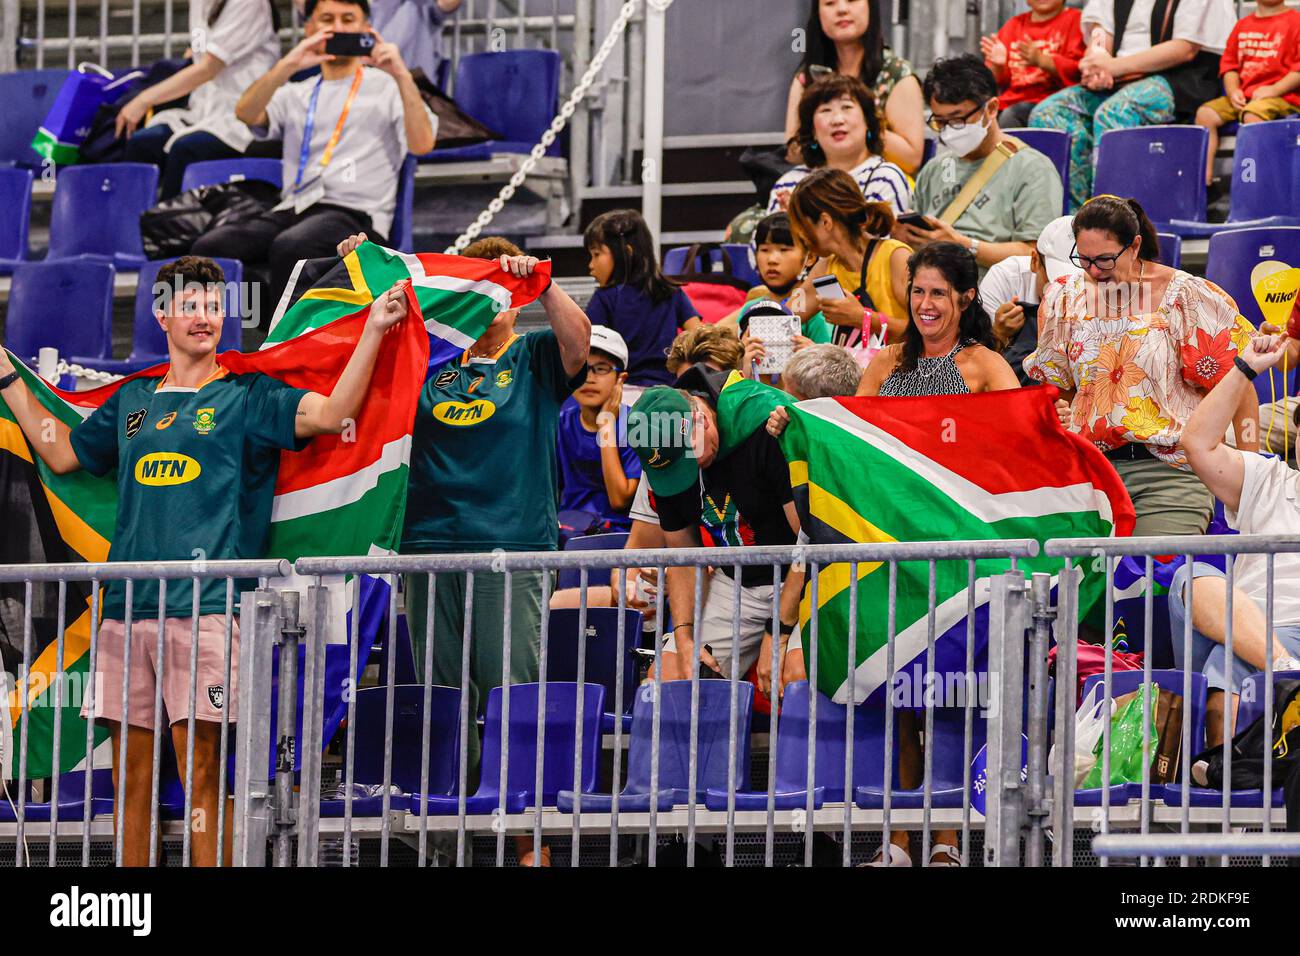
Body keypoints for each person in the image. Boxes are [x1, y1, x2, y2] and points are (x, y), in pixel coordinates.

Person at [0, 255, 407, 866]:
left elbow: (331, 414)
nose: (205, 317)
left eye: (215, 306)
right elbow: (60, 455)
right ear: (162, 313)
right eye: (190, 305)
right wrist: (8, 377)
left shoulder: (248, 396)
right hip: (124, 613)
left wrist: (373, 329)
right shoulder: (132, 398)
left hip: (209, 611)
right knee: (129, 779)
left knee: (202, 774)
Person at [387, 234, 589, 868]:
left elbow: (581, 343)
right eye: (474, 288)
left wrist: (544, 282)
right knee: (444, 698)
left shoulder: (532, 357)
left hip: (511, 546)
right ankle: (450, 846)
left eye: (497, 291)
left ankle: (528, 847)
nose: (487, 302)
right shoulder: (427, 358)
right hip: (428, 547)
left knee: (512, 694)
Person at [1024, 195, 1260, 536]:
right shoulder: (1063, 297)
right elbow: (1057, 388)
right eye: (1083, 259)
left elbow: (1240, 384)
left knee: (1152, 583)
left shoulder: (1186, 296)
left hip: (1169, 476)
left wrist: (1249, 473)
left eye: (1104, 260)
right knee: (1079, 588)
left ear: (1134, 246)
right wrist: (1056, 410)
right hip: (1089, 475)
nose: (1093, 271)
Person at [193, 0, 437, 306]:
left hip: (353, 215)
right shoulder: (298, 90)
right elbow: (246, 113)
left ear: (367, 29)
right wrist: (288, 64)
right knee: (211, 247)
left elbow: (422, 143)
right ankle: (264, 322)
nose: (337, 27)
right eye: (327, 19)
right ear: (309, 29)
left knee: (290, 246)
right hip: (294, 208)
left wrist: (401, 74)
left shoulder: (388, 87)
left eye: (348, 19)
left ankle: (282, 343)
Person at [626, 368, 800, 685]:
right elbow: (683, 554)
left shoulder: (764, 419)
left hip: (800, 577)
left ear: (702, 419)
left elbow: (811, 542)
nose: (686, 474)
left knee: (795, 673)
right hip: (735, 578)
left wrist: (779, 631)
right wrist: (684, 638)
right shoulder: (660, 447)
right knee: (668, 677)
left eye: (690, 459)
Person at [1175, 330, 1300, 745]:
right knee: (1190, 580)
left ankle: (1222, 769)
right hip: (1250, 624)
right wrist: (1245, 370)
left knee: (1227, 658)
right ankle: (1285, 674)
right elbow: (1196, 444)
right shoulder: (1268, 479)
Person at [1028, 0, 1234, 210]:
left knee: (1115, 112)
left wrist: (1115, 67)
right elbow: (1100, 31)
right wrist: (1098, 61)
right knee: (1050, 113)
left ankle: (1113, 218)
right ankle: (1074, 217)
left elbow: (1184, 49)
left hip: (1180, 77)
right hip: (1117, 75)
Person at [896, 54, 1064, 274]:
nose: (949, 130)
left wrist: (964, 245)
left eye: (958, 120)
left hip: (995, 297)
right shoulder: (934, 169)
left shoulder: (1033, 169)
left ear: (991, 109)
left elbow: (1035, 256)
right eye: (941, 122)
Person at [119, 0, 281, 199]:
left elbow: (208, 68)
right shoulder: (198, 3)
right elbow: (198, 49)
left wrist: (144, 99)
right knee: (142, 143)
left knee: (186, 149)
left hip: (243, 116)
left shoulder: (249, 3)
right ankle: (128, 225)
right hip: (202, 110)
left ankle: (167, 225)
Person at [786, 0, 926, 174]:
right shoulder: (806, 77)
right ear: (817, 13)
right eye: (830, 3)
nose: (842, 9)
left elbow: (911, 159)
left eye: (852, 0)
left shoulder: (896, 75)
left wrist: (863, 124)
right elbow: (793, 153)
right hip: (821, 187)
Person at [786, 167, 912, 352]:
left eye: (801, 226)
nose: (798, 235)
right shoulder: (826, 267)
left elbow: (931, 331)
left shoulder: (896, 257)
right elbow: (786, 317)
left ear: (825, 222)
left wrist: (864, 318)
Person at [584, 209, 701, 392]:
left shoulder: (604, 298)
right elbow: (700, 337)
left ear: (627, 252)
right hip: (669, 391)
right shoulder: (670, 291)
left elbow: (585, 347)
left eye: (597, 254)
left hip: (622, 391)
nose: (590, 265)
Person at [769, 74, 913, 216]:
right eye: (825, 110)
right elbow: (766, 239)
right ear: (813, 131)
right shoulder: (788, 184)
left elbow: (884, 239)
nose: (837, 119)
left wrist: (802, 223)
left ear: (868, 122)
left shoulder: (885, 177)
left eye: (847, 107)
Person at [1195, 0, 1300, 188]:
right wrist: (1233, 90)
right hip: (1245, 97)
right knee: (1205, 114)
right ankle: (1204, 185)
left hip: (1284, 97)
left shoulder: (1296, 22)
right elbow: (1229, 67)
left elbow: (1298, 71)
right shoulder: (1241, 25)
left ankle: (1253, 183)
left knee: (1252, 115)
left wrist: (1274, 89)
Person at [977, 214, 1082, 386]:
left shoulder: (1096, 288)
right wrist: (997, 334)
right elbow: (975, 370)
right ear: (1034, 261)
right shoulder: (1005, 278)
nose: (1063, 291)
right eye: (1055, 280)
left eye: (1074, 283)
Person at [556, 326, 642, 533]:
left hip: (623, 537)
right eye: (580, 367)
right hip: (568, 532)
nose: (589, 377)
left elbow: (620, 499)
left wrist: (606, 425)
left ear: (620, 379)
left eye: (601, 368)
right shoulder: (559, 424)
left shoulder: (638, 426)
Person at [719, 213, 833, 349]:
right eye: (764, 250)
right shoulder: (751, 309)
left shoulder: (815, 315)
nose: (771, 259)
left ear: (810, 257)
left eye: (784, 250)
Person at [980, 0, 1086, 128]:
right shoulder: (1013, 25)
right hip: (1011, 101)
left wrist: (1042, 60)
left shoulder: (1076, 20)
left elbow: (1078, 71)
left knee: (1010, 116)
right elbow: (994, 80)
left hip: (1053, 103)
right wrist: (998, 65)